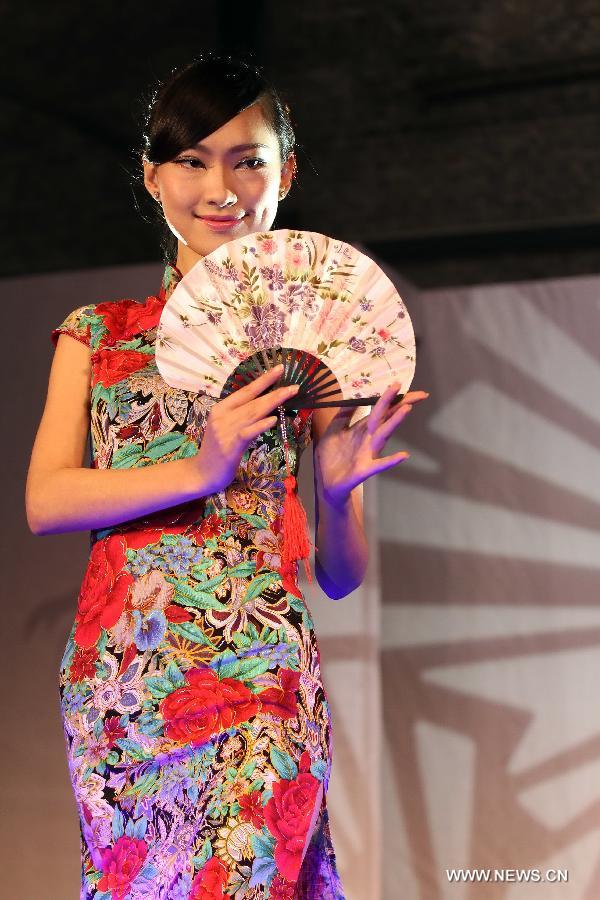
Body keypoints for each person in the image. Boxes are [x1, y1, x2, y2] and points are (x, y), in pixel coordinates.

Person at [26, 53, 428, 900]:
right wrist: (202, 466)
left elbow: (341, 576)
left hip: (262, 681)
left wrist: (340, 490)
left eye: (248, 160)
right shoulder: (98, 335)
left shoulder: (311, 347)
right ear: (153, 175)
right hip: (127, 690)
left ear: (284, 172)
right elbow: (46, 500)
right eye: (193, 160)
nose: (223, 187)